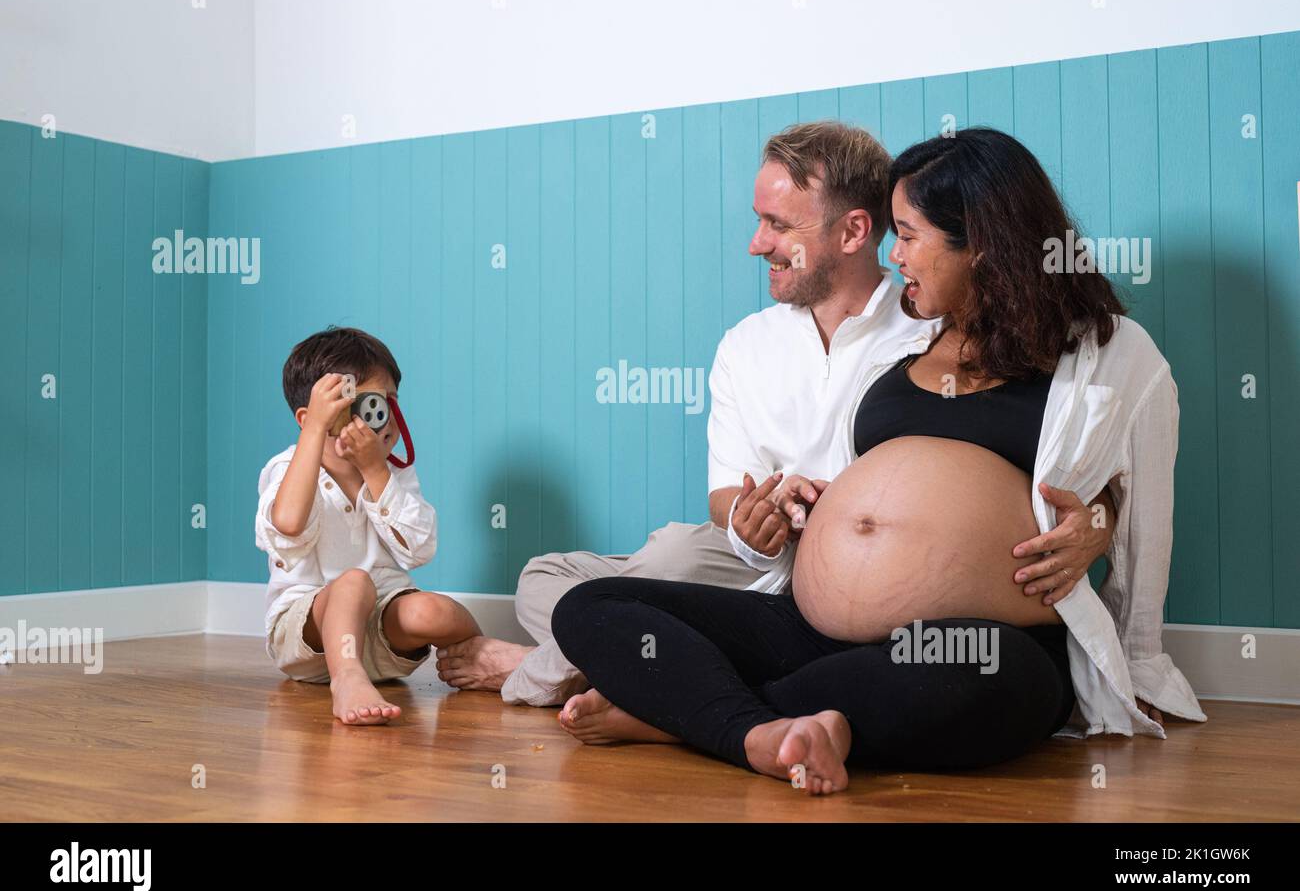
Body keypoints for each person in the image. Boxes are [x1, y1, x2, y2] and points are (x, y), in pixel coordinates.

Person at [550, 128, 1207, 794]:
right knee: (590, 605)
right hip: (812, 625)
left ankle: (694, 715)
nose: (893, 258)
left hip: (979, 639)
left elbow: (1140, 512)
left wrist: (1112, 564)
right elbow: (870, 487)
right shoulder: (908, 340)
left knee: (979, 678)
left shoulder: (1105, 353)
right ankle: (760, 727)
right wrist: (807, 509)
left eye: (909, 234)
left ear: (980, 243)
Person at [436, 121, 1111, 706]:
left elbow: (1034, 456)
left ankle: (547, 670)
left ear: (853, 230)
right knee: (546, 580)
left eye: (779, 225)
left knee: (637, 594)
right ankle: (615, 663)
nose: (756, 244)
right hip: (748, 563)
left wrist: (1098, 526)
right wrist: (747, 519)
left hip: (854, 576)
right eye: (760, 221)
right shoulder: (747, 344)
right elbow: (728, 488)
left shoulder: (930, 331)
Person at [255, 326, 480, 725]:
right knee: (354, 581)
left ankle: (480, 656)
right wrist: (314, 433)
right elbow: (288, 526)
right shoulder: (285, 470)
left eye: (388, 401)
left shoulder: (393, 472)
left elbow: (420, 550)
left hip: (381, 635)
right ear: (311, 418)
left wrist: (375, 470)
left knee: (436, 611)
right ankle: (347, 679)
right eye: (362, 403)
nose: (381, 415)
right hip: (309, 639)